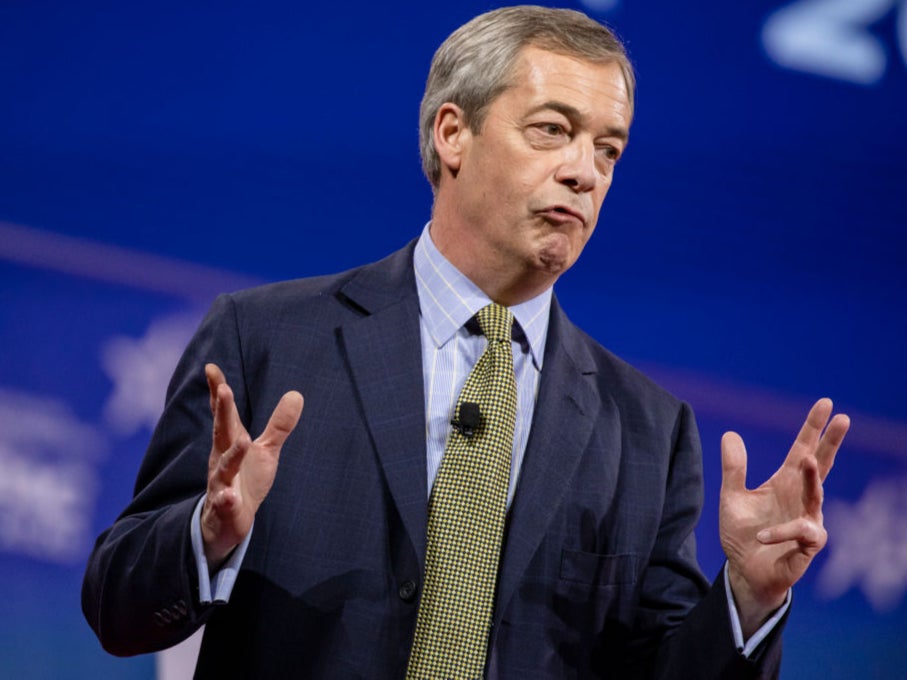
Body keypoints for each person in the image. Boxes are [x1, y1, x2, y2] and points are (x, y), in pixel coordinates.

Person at [82, 6, 850, 678]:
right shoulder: (268, 340)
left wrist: (747, 597)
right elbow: (117, 613)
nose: (584, 172)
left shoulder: (648, 429)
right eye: (552, 130)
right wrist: (205, 538)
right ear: (453, 133)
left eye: (608, 149)